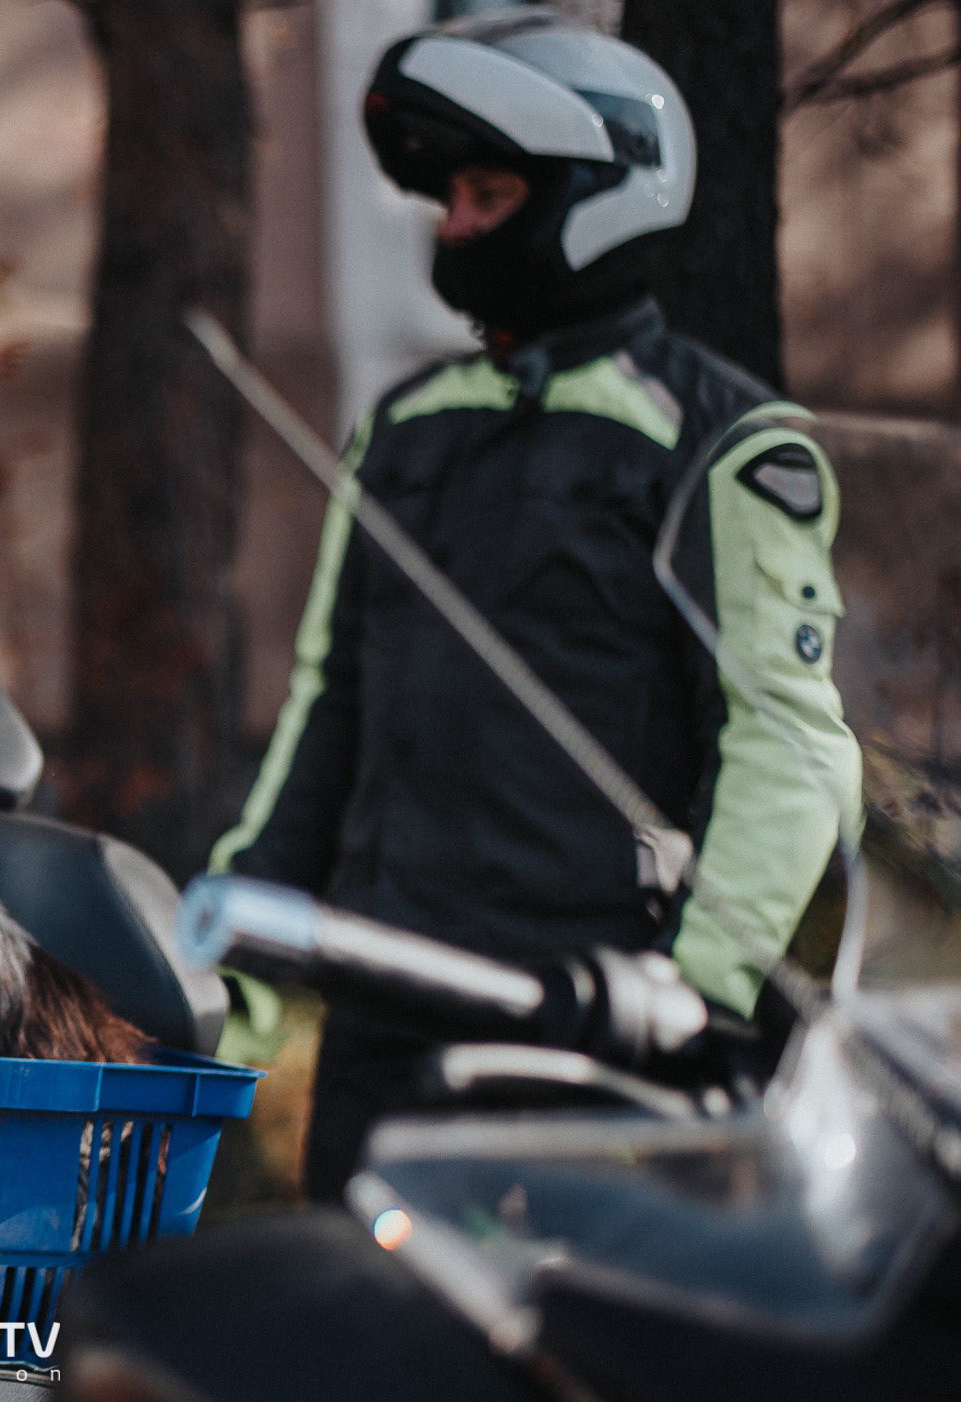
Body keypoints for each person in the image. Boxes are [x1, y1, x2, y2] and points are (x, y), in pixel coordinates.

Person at [208, 12, 862, 1203]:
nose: (453, 224)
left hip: (580, 1029)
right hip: (381, 1002)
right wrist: (237, 967)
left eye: (488, 191)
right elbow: (327, 707)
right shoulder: (406, 429)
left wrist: (699, 990)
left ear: (601, 189)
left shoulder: (727, 440)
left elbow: (787, 739)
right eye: (448, 195)